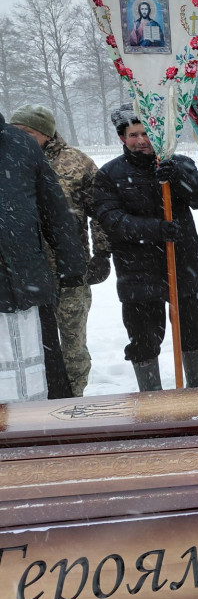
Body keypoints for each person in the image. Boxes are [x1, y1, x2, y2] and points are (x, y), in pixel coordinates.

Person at [94, 104, 198, 391]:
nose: (142, 140)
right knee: (144, 338)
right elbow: (111, 219)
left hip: (183, 264)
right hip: (138, 270)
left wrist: (180, 175)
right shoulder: (110, 174)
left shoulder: (178, 163)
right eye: (134, 134)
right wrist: (155, 230)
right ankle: (151, 398)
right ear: (123, 138)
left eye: (147, 133)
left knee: (192, 332)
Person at [8, 104, 111, 396]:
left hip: (69, 271)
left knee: (72, 341)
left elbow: (99, 210)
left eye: (26, 132)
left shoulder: (76, 162)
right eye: (15, 131)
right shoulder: (9, 162)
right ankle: (36, 401)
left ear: (45, 133)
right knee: (31, 345)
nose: (19, 137)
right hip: (22, 276)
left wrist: (103, 254)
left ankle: (74, 397)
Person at [0, 111, 85, 401]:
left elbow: (55, 209)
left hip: (27, 278)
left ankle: (48, 436)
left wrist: (71, 262)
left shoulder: (20, 144)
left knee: (46, 372)